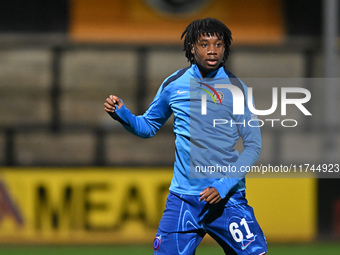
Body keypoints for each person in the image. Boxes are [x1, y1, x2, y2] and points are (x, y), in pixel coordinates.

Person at [104, 18, 267, 255]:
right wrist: (123, 114)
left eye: (218, 44)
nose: (212, 50)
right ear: (192, 47)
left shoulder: (236, 88)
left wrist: (222, 187)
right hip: (184, 201)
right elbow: (148, 126)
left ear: (225, 48)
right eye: (204, 44)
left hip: (227, 199)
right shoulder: (174, 84)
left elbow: (253, 146)